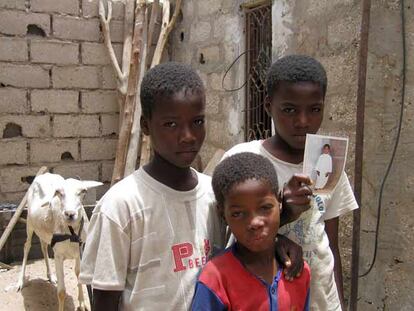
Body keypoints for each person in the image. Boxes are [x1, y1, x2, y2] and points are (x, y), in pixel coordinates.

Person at [79, 62, 303, 311]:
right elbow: (104, 300)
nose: (188, 135)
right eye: (171, 124)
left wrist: (278, 240)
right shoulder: (121, 206)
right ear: (145, 126)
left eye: (197, 122)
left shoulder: (214, 194)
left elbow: (244, 244)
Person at [223, 55, 359, 310]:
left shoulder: (330, 167)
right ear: (268, 106)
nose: (303, 121)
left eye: (315, 109)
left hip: (320, 300)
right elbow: (229, 239)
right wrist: (282, 212)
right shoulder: (243, 161)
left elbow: (330, 245)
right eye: (289, 110)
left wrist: (338, 304)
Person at [191, 152, 310, 311]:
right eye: (238, 214)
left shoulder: (298, 272)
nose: (255, 223)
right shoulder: (216, 278)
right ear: (223, 215)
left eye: (265, 208)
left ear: (280, 201)